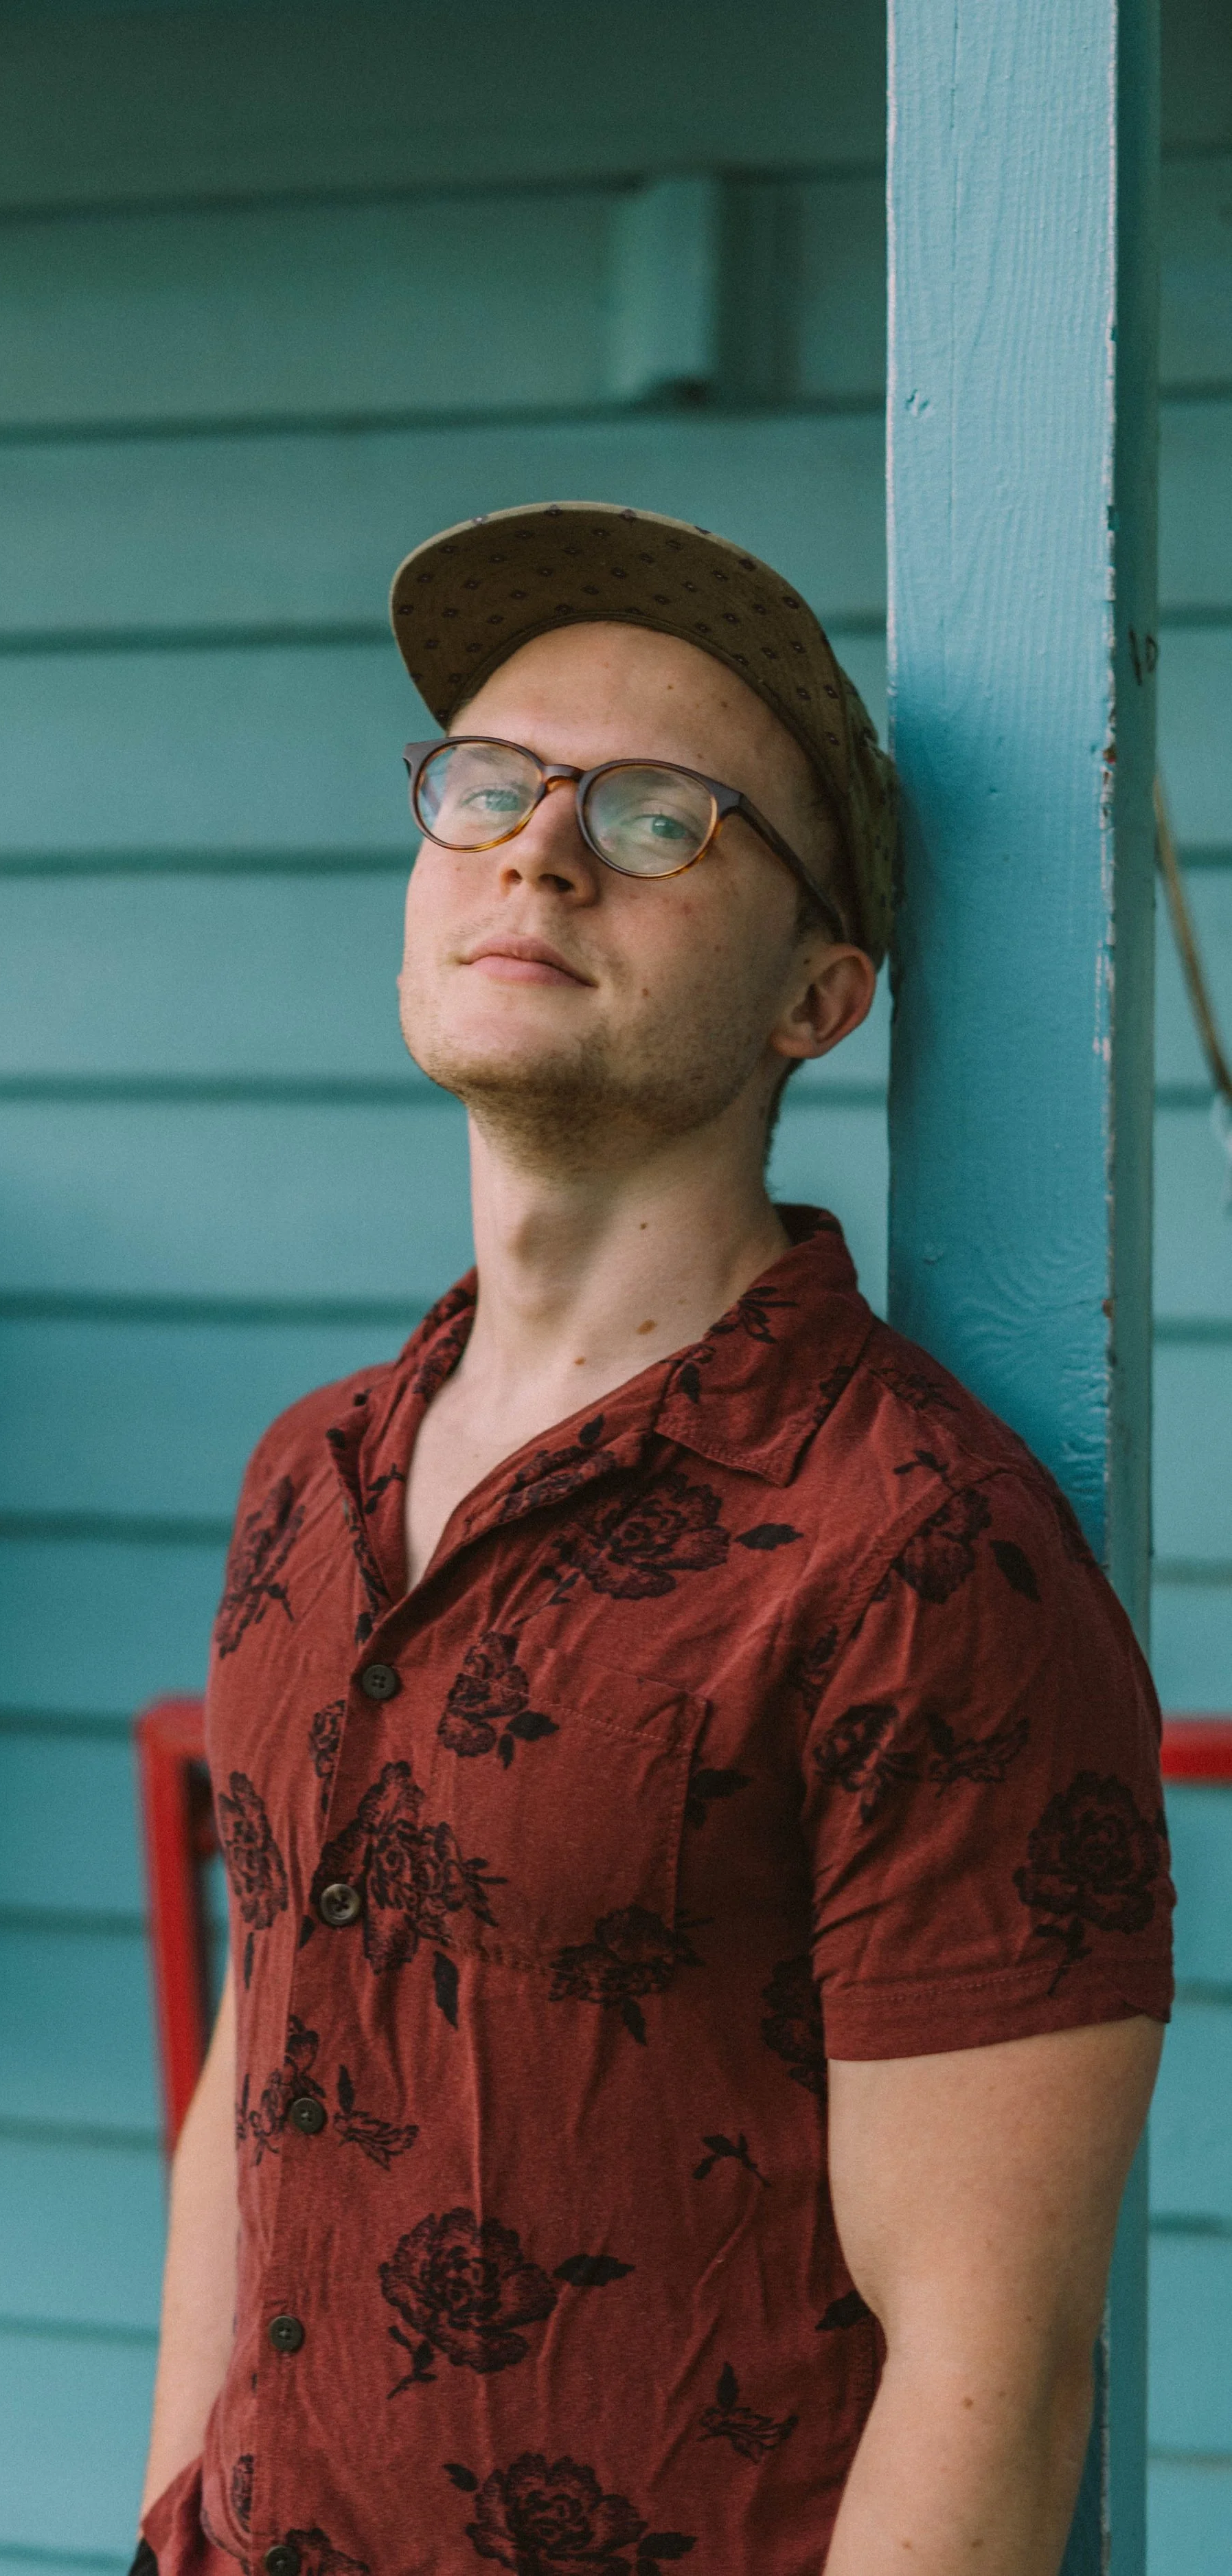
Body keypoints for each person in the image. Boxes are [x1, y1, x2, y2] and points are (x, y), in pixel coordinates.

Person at [136, 504, 1172, 2576]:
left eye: (661, 815)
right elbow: (266, 2061)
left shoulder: (911, 1555)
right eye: (491, 785)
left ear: (819, 993)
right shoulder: (308, 1481)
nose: (538, 846)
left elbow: (988, 2361)